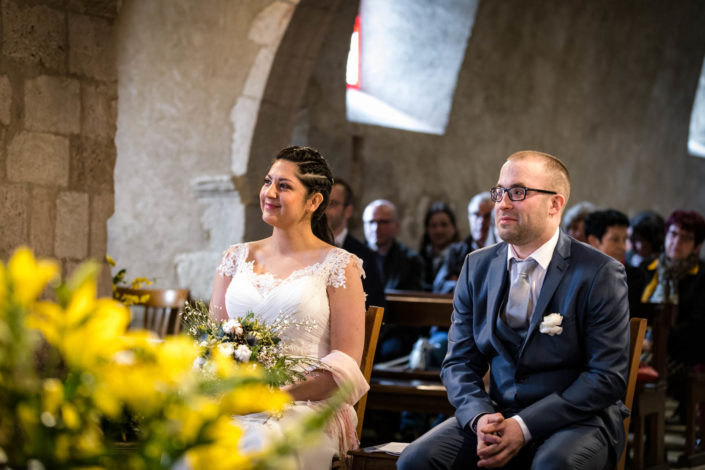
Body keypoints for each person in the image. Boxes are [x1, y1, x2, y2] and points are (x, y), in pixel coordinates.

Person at [398, 150, 630, 470]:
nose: (503, 203)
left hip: (578, 420)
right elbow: (459, 363)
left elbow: (606, 377)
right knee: (417, 460)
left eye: (518, 192)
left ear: (555, 204)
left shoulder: (598, 271)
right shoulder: (476, 266)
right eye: (499, 192)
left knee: (553, 466)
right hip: (498, 413)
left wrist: (524, 426)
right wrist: (479, 417)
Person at [209, 146, 368, 469]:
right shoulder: (235, 258)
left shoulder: (339, 266)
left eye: (284, 186)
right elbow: (212, 342)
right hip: (236, 400)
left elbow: (345, 366)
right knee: (189, 435)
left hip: (305, 406)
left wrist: (272, 396)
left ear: (314, 201)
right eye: (268, 182)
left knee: (256, 447)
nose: (269, 192)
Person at [641, 210, 705, 419]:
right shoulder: (647, 269)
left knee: (633, 363)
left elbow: (697, 325)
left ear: (697, 246)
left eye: (686, 238)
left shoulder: (701, 276)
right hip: (643, 344)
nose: (677, 242)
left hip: (683, 352)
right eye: (673, 234)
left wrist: (657, 342)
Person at [326, 178, 386, 308]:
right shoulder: (305, 248)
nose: (325, 210)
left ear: (348, 211)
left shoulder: (365, 255)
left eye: (333, 204)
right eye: (323, 202)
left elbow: (374, 305)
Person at [584, 209, 647, 316]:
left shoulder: (634, 276)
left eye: (625, 239)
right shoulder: (579, 273)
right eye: (615, 240)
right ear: (594, 241)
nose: (623, 247)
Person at [433, 192, 494, 293]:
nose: (481, 222)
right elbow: (439, 286)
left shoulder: (506, 249)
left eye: (487, 216)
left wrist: (460, 282)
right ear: (469, 218)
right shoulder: (456, 252)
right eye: (476, 215)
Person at [362, 199, 425, 291]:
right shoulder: (352, 257)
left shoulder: (411, 261)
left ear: (397, 225)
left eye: (383, 222)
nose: (376, 228)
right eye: (371, 222)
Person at [418, 202, 459, 290]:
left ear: (453, 227)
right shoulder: (419, 258)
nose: (439, 230)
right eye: (434, 225)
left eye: (444, 225)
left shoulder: (463, 258)